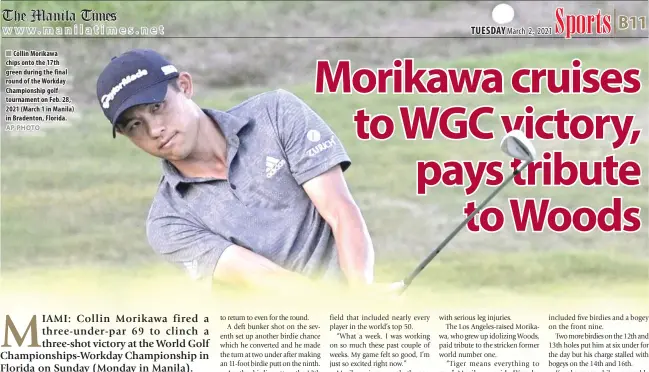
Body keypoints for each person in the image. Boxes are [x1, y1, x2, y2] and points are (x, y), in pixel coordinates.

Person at [95, 48, 386, 291]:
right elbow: (263, 277)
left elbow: (340, 211)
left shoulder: (276, 113)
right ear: (125, 136)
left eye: (157, 107)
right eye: (135, 125)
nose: (155, 129)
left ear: (184, 86)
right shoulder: (167, 221)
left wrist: (362, 293)